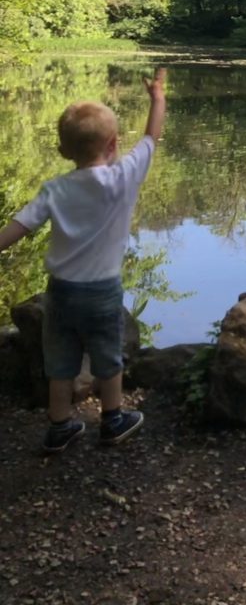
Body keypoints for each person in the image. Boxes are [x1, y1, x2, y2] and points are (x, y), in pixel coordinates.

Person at [0, 67, 167, 453]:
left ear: (62, 151)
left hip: (59, 294)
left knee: (60, 362)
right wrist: (157, 98)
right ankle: (113, 420)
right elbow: (151, 138)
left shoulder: (54, 189)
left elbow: (19, 227)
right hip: (102, 293)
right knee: (108, 356)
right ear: (112, 146)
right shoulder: (124, 176)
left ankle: (59, 427)